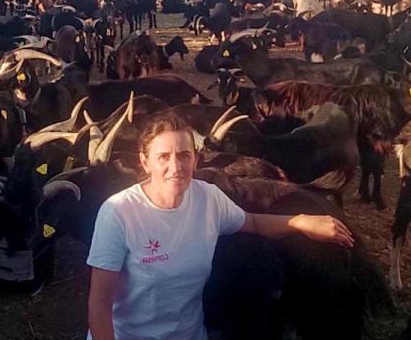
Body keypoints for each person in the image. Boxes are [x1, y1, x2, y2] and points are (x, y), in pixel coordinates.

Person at [86, 114, 354, 340]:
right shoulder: (119, 212)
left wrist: (301, 221)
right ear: (144, 162)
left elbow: (253, 223)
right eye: (163, 156)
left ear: (196, 159)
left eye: (183, 155)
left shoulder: (207, 198)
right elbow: (99, 304)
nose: (175, 166)